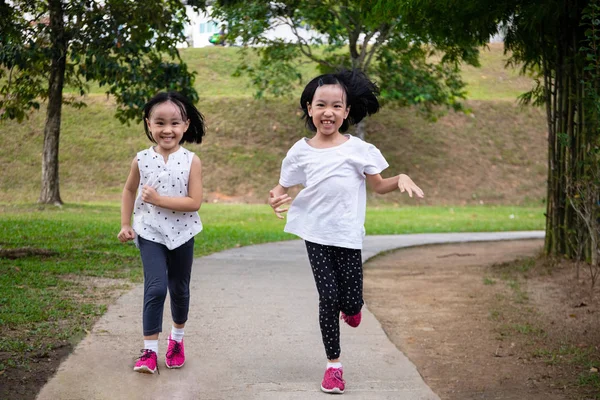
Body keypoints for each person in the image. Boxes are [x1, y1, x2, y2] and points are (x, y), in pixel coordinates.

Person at [268, 70, 424, 394]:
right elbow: (281, 186)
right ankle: (334, 366)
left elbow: (379, 186)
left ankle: (352, 310)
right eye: (321, 105)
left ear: (347, 111)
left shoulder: (359, 150)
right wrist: (275, 198)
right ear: (309, 109)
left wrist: (401, 178)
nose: (329, 112)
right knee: (328, 298)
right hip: (315, 233)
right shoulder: (301, 151)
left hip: (348, 234)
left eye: (336, 106)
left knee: (351, 304)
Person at [117, 91, 205, 374]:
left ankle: (177, 340)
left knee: (179, 289)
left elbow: (194, 202)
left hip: (182, 234)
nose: (167, 130)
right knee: (155, 288)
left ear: (186, 125)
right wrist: (126, 224)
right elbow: (129, 190)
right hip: (150, 232)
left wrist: (158, 200)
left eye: (175, 123)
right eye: (160, 123)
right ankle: (149, 351)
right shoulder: (141, 159)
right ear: (149, 124)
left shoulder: (192, 161)